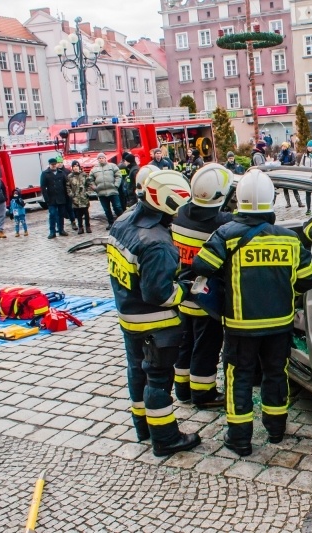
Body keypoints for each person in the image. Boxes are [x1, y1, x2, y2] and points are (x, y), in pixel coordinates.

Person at [191, 169, 312, 457]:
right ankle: (276, 430)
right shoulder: (289, 239)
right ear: (271, 200)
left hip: (241, 326)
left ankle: (239, 439)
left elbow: (201, 266)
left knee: (239, 378)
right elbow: (307, 279)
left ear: (239, 200)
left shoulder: (226, 235)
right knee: (276, 374)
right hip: (279, 325)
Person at [108, 167, 201, 457]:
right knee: (159, 380)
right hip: (156, 324)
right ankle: (165, 438)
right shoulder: (157, 243)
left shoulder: (123, 221)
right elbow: (160, 294)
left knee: (137, 371)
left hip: (129, 316)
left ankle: (143, 427)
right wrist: (187, 289)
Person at [170, 164, 234, 407]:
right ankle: (203, 394)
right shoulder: (222, 223)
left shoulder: (179, 213)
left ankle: (183, 390)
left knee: (186, 344)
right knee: (206, 347)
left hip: (182, 292)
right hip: (206, 299)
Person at [89, 152, 124, 230]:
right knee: (106, 209)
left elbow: (118, 175)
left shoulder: (112, 166)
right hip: (101, 193)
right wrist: (94, 187)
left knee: (117, 207)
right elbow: (90, 179)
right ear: (98, 159)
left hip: (113, 190)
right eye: (99, 158)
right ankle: (111, 223)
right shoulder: (94, 169)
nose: (101, 159)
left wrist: (116, 185)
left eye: (102, 158)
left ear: (105, 158)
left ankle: (122, 222)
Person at [40, 157, 69, 239]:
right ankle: (52, 232)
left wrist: (66, 196)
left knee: (61, 215)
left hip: (61, 197)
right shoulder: (45, 174)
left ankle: (61, 230)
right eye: (52, 164)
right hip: (51, 198)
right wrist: (46, 199)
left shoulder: (61, 173)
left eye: (54, 164)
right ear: (49, 165)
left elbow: (66, 185)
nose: (53, 166)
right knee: (52, 215)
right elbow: (43, 187)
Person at [67, 161, 92, 234]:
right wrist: (71, 194)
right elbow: (68, 186)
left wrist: (87, 193)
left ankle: (88, 226)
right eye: (74, 166)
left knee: (86, 212)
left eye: (77, 166)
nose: (75, 168)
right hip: (75, 198)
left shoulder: (84, 175)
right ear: (72, 167)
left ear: (79, 167)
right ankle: (80, 227)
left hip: (84, 197)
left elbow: (89, 184)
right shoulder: (70, 176)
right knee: (78, 214)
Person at [57, 156, 77, 231]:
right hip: (59, 195)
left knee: (70, 209)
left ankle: (73, 222)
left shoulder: (67, 171)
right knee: (60, 211)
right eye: (58, 162)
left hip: (67, 194)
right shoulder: (55, 172)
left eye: (61, 162)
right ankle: (60, 226)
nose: (60, 164)